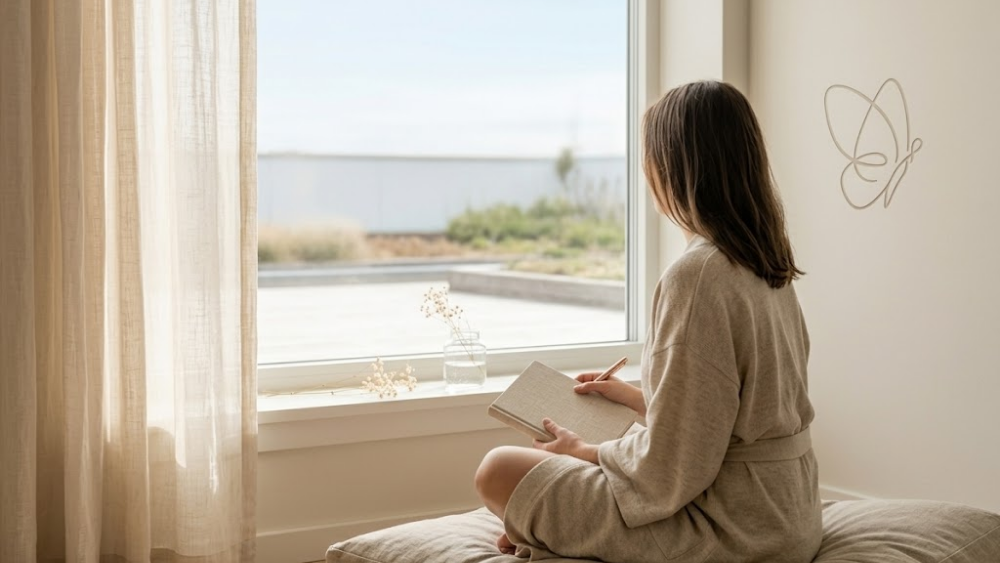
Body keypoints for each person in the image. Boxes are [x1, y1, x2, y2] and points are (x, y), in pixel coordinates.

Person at [474, 80, 821, 563]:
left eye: (649, 160)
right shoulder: (767, 265)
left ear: (674, 169)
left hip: (733, 530)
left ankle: (544, 533)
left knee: (499, 469)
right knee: (541, 472)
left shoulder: (697, 275)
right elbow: (733, 414)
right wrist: (636, 400)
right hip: (790, 516)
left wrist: (584, 451)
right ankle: (542, 532)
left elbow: (670, 471)